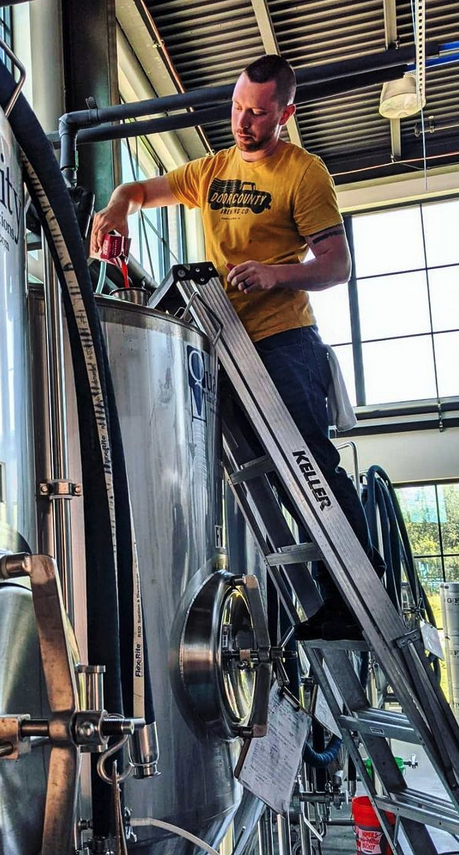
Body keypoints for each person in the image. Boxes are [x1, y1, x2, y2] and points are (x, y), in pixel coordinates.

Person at [91, 54, 376, 638]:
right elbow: (142, 191)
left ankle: (354, 597)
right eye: (238, 108)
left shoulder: (304, 173)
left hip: (283, 341)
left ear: (285, 114)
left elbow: (337, 265)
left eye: (259, 113)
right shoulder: (212, 170)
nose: (244, 122)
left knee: (307, 466)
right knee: (252, 477)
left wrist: (277, 275)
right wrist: (118, 205)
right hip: (221, 342)